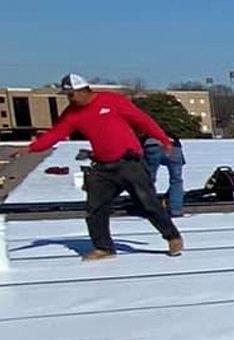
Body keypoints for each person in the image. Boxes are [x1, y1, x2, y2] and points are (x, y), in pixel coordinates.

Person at [24, 74, 183, 261]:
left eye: (72, 94)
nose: (70, 99)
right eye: (67, 95)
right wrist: (29, 148)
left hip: (129, 163)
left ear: (84, 90)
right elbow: (56, 134)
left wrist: (164, 140)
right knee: (95, 208)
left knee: (147, 202)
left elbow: (142, 120)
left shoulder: (112, 101)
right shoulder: (71, 113)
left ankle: (172, 237)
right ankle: (104, 248)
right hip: (102, 167)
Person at [142, 136, 187, 218]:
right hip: (173, 145)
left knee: (149, 180)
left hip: (152, 145)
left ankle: (150, 208)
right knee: (176, 180)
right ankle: (176, 209)